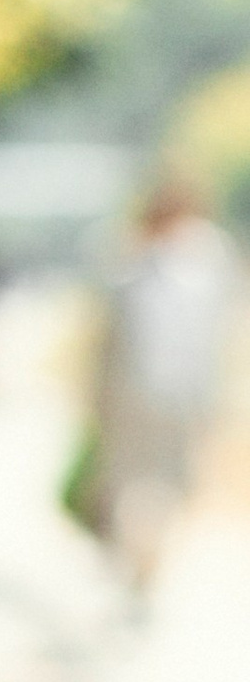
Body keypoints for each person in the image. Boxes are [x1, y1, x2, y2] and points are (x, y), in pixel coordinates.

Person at [92, 173, 238, 596]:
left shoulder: (205, 258)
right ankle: (137, 557)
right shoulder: (129, 261)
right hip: (135, 394)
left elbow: (215, 336)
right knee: (132, 482)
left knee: (168, 482)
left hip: (176, 394)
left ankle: (146, 558)